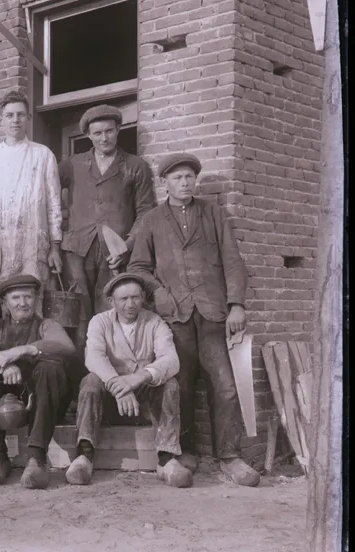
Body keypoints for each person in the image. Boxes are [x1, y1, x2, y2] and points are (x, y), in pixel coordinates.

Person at [128, 153, 259, 487]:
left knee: (226, 387)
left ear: (195, 180)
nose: (184, 183)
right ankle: (185, 451)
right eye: (177, 178)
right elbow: (138, 268)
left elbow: (233, 261)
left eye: (189, 177)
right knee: (180, 386)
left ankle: (229, 456)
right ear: (165, 183)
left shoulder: (214, 214)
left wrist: (237, 305)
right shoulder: (152, 220)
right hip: (175, 317)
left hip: (214, 314)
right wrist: (158, 292)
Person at [68, 273, 192, 488]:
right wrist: (120, 387)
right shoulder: (100, 321)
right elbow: (94, 357)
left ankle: (166, 458)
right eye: (123, 299)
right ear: (111, 302)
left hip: (142, 399)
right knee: (90, 381)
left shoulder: (155, 322)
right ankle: (84, 455)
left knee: (170, 383)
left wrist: (138, 377)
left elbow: (171, 360)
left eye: (135, 297)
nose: (130, 304)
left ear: (143, 297)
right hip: (110, 399)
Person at [0, 274, 75, 489]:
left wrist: (23, 350)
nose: (23, 303)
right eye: (16, 298)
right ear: (5, 303)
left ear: (36, 300)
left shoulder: (46, 325)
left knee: (51, 367)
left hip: (42, 401)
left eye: (28, 297)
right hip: (2, 400)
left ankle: (37, 458)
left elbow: (66, 347)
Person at [0, 90, 62, 324]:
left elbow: (53, 205)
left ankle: (31, 355)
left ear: (29, 118)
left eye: (20, 115)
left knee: (30, 307)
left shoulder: (43, 155)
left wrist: (55, 247)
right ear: (0, 119)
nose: (15, 120)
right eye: (9, 115)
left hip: (32, 244)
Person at [58, 104, 156, 320]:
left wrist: (127, 245)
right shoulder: (73, 164)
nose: (104, 138)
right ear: (87, 135)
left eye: (109, 131)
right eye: (98, 133)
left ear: (118, 129)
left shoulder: (135, 166)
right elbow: (45, 192)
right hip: (77, 252)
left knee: (110, 313)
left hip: (115, 253)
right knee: (77, 315)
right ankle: (81, 355)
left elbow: (146, 212)